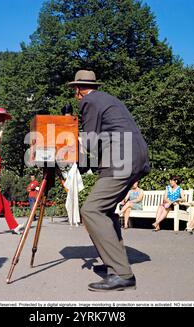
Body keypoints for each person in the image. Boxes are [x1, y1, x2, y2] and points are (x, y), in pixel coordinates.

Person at [69, 70, 150, 292]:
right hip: (135, 157)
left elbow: (91, 141)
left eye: (74, 91)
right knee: (105, 211)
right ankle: (116, 265)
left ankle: (122, 274)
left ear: (78, 90)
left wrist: (71, 142)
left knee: (91, 210)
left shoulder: (90, 101)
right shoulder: (109, 99)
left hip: (123, 159)